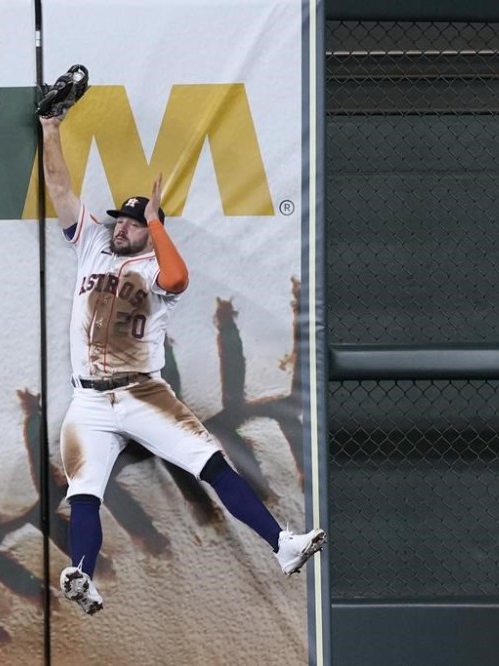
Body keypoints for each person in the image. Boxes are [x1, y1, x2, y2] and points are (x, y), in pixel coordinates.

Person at [39, 111, 327, 616]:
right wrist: (50, 129)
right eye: (120, 220)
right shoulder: (92, 247)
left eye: (131, 223)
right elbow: (60, 189)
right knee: (84, 492)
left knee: (211, 464)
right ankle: (83, 576)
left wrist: (153, 220)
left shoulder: (154, 265)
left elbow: (177, 280)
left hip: (142, 393)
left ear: (150, 230)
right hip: (88, 398)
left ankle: (282, 547)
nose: (121, 227)